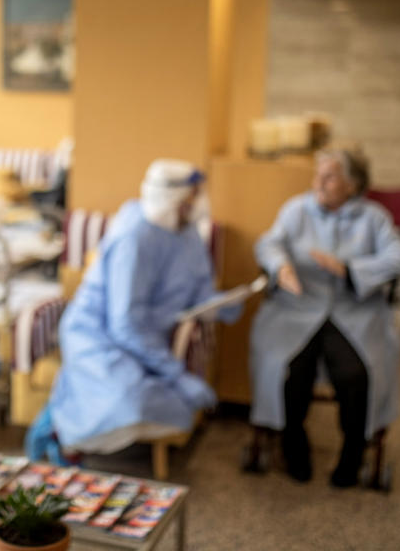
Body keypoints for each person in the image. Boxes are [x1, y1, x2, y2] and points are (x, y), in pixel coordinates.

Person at [26, 159, 241, 461]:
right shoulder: (134, 236)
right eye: (193, 195)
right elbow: (125, 324)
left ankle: (69, 426)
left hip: (145, 337)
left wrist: (218, 305)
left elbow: (197, 284)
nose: (199, 202)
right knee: (127, 400)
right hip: (97, 333)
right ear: (175, 199)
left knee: (158, 400)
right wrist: (175, 373)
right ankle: (58, 432)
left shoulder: (189, 232)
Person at [249, 148, 400, 487]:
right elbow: (268, 243)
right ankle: (293, 446)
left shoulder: (373, 218)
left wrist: (351, 269)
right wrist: (281, 267)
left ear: (352, 185)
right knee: (290, 371)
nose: (318, 183)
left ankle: (353, 455)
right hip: (297, 308)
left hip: (353, 311)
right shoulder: (297, 210)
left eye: (330, 176)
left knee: (356, 375)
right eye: (317, 175)